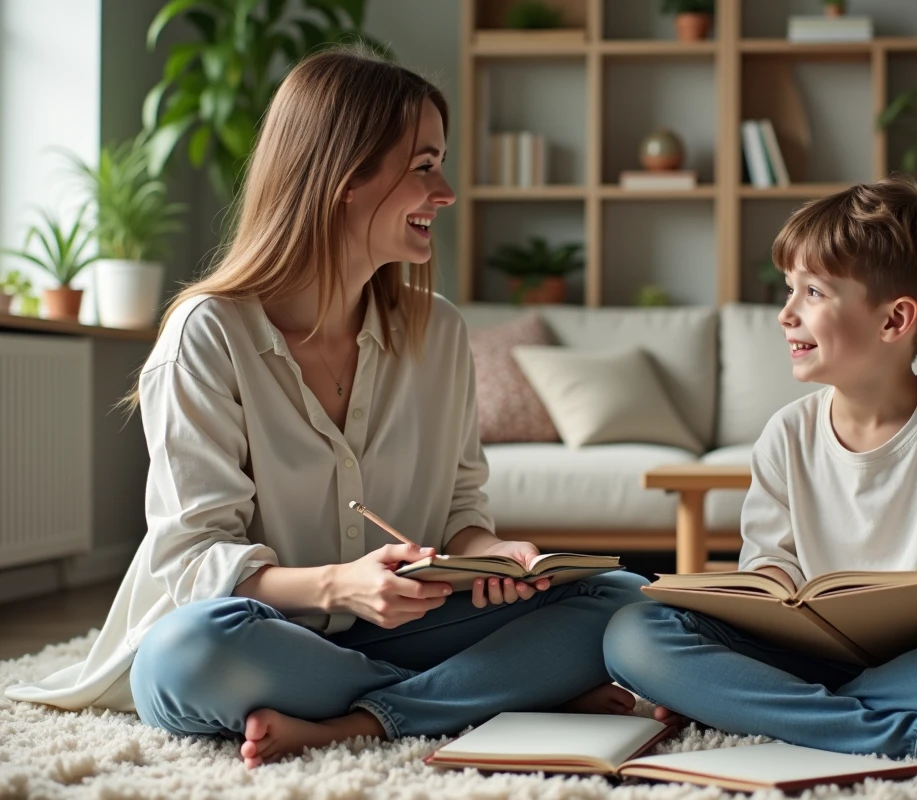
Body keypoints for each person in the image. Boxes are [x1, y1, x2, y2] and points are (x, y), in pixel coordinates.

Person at [5, 46, 648, 769]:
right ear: (345, 177)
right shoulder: (208, 333)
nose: (446, 191)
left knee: (624, 599)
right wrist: (341, 586)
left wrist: (489, 554)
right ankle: (505, 691)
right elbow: (192, 561)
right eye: (424, 165)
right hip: (260, 632)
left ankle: (368, 722)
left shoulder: (439, 333)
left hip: (402, 630)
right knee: (188, 657)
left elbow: (463, 509)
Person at [603, 178, 917, 766]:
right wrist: (768, 587)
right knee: (634, 633)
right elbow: (768, 559)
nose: (785, 313)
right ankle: (907, 734)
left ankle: (757, 707)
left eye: (813, 292)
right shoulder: (786, 434)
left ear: (894, 320)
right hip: (801, 652)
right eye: (789, 289)